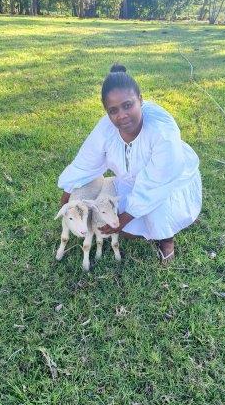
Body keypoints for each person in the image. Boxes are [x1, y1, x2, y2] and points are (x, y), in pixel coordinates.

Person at [58, 64, 202, 264]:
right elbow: (85, 162)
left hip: (166, 183)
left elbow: (157, 183)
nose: (122, 115)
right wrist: (67, 195)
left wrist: (123, 219)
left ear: (141, 100)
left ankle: (166, 239)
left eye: (128, 105)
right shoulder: (106, 129)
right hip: (130, 180)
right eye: (113, 110)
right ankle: (143, 225)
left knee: (155, 218)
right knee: (127, 230)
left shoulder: (162, 131)